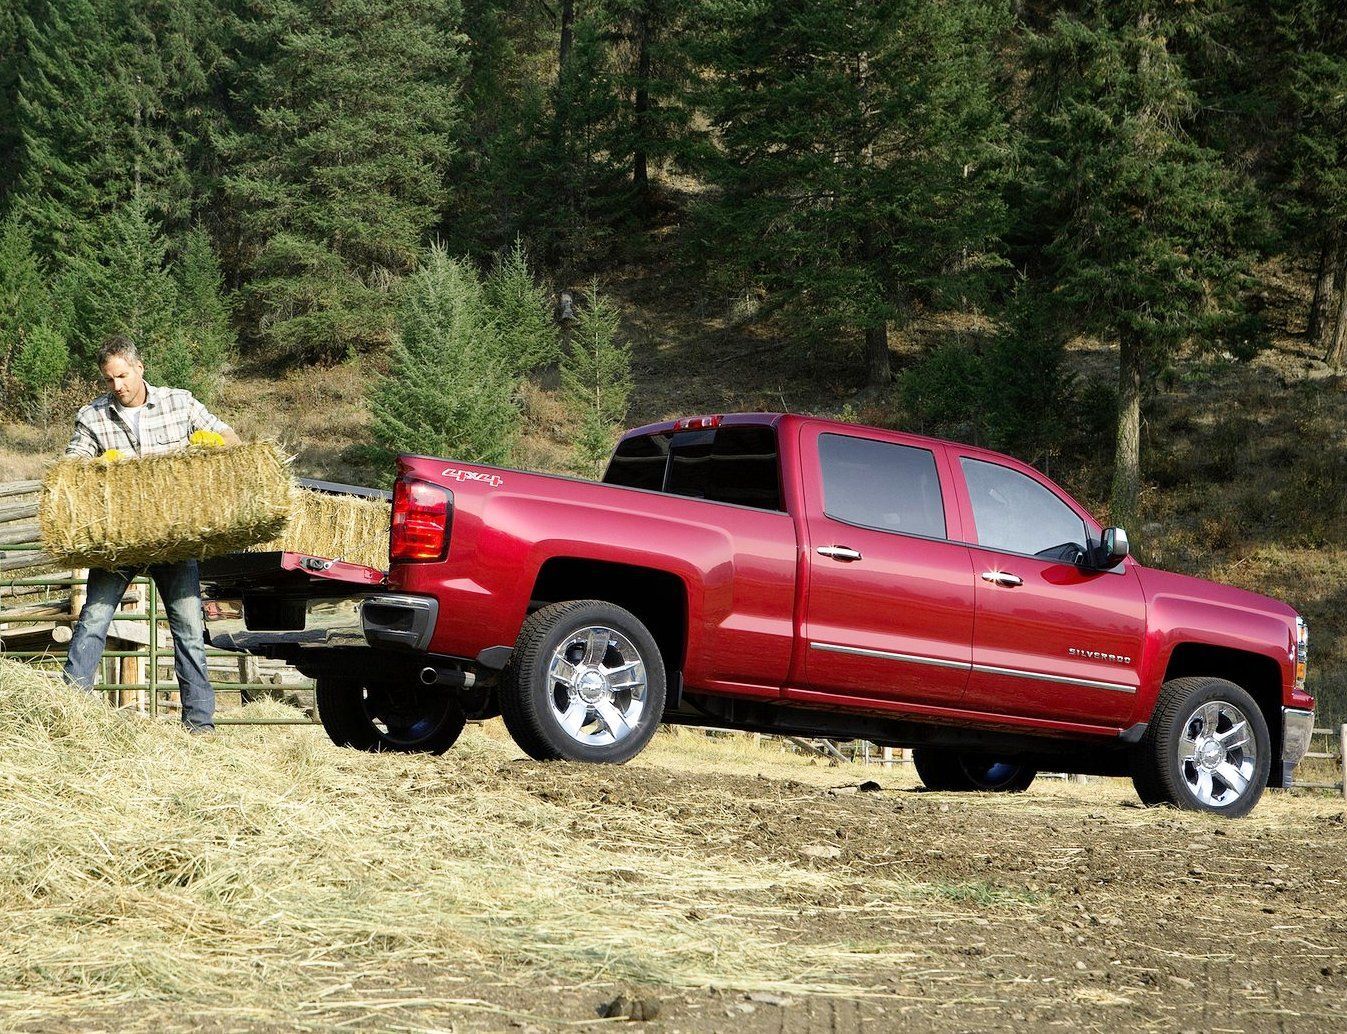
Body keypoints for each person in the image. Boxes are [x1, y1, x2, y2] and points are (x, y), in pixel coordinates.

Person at [61, 334, 241, 731]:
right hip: (119, 540)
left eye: (122, 376)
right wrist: (92, 466)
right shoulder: (92, 416)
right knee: (93, 619)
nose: (117, 387)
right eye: (109, 380)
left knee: (189, 628)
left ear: (139, 368)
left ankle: (199, 724)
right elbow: (70, 467)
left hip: (174, 538)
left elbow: (230, 438)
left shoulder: (180, 401)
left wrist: (207, 446)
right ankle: (68, 713)